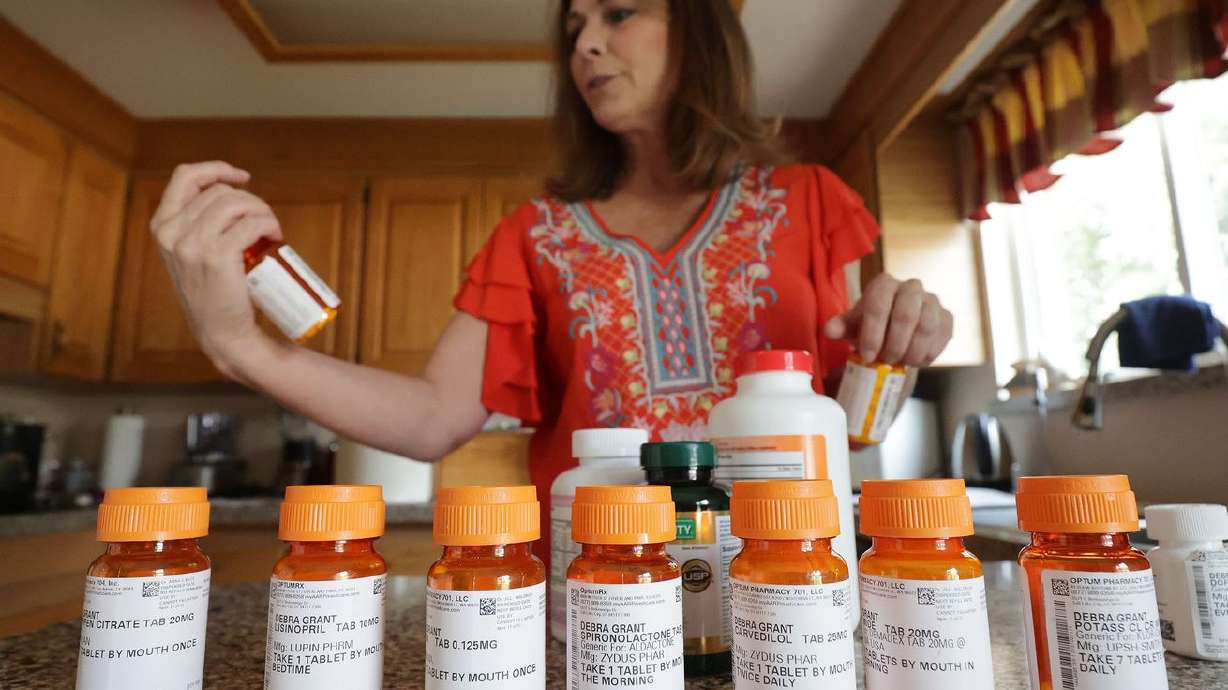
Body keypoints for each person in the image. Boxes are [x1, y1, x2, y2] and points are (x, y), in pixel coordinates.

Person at [150, 0, 952, 555]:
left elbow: (854, 425)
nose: (584, 47)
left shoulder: (810, 200)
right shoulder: (534, 234)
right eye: (573, 29)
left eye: (618, 13)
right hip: (591, 585)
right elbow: (433, 418)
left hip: (780, 583)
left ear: (699, 31)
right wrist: (239, 346)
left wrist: (900, 342)